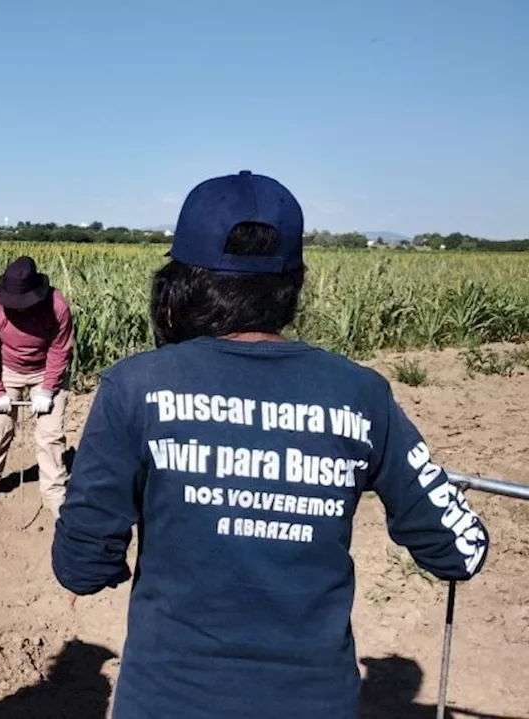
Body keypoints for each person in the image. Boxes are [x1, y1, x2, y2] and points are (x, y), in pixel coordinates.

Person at [51, 171, 490, 719]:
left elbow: (81, 565)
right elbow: (461, 550)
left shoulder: (136, 388)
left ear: (181, 281)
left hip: (168, 699)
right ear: (293, 283)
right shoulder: (361, 395)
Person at [0, 256, 74, 520]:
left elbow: (61, 350)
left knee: (50, 435)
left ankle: (53, 492)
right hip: (8, 372)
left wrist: (48, 389)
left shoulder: (58, 306)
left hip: (46, 371)